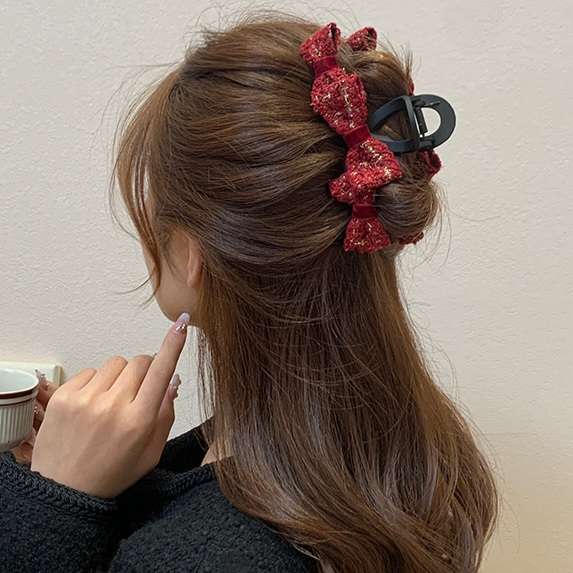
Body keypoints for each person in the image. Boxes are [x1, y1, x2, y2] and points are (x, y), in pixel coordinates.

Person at [0, 10, 500, 573]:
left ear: (190, 252)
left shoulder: (209, 556)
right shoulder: (403, 451)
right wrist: (82, 476)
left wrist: (53, 507)